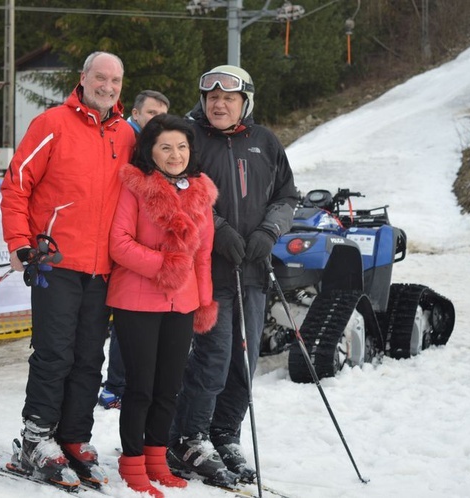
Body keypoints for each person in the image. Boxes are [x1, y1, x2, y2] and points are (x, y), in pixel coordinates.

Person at [0, 51, 136, 490]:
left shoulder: (127, 134)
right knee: (54, 353)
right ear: (84, 78)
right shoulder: (52, 123)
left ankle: (74, 437)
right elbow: (17, 183)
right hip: (56, 261)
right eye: (101, 77)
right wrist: (19, 242)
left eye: (115, 80)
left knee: (88, 358)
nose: (108, 86)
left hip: (103, 270)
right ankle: (37, 437)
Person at [168, 65, 297, 486]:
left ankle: (225, 434)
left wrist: (270, 231)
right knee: (213, 356)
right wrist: (217, 227)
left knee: (246, 360)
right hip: (208, 270)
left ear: (246, 102)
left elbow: (286, 195)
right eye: (212, 98)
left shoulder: (265, 142)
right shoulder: (190, 139)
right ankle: (190, 437)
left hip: (254, 270)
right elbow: (179, 187)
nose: (218, 104)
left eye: (228, 98)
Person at [107, 114, 218, 498]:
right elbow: (118, 243)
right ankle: (132, 462)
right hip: (136, 299)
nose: (175, 154)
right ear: (150, 151)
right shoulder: (135, 187)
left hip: (182, 302)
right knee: (140, 387)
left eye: (182, 147)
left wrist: (204, 300)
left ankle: (156, 459)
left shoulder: (201, 191)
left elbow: (203, 254)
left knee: (169, 388)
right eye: (166, 147)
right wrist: (163, 265)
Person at [99, 89, 171, 411]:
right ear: (137, 113)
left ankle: (124, 382)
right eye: (152, 113)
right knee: (122, 321)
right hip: (115, 241)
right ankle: (115, 385)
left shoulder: (155, 144)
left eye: (163, 114)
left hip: (138, 243)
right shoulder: (128, 138)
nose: (158, 119)